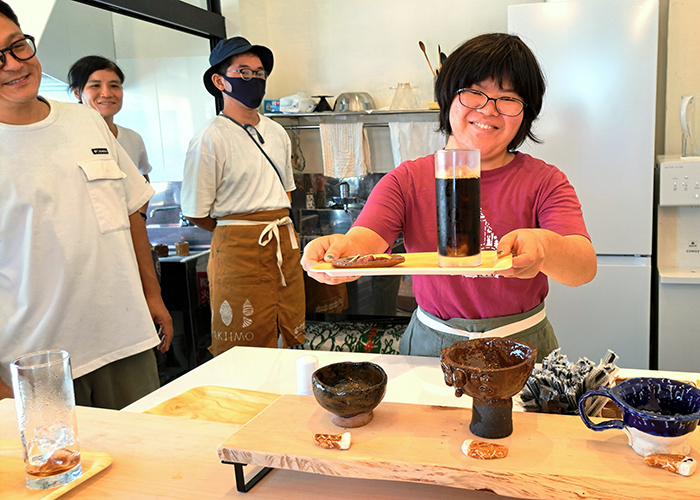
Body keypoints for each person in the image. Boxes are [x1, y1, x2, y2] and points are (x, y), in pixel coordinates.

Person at [302, 33, 597, 361]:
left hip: (523, 344)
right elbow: (362, 242)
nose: (489, 110)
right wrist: (339, 254)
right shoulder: (406, 179)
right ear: (449, 96)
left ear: (526, 112)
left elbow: (583, 267)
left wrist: (544, 246)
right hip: (432, 345)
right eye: (475, 93)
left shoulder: (545, 180)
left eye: (508, 99)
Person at [0, 1, 173, 409]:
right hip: (36, 361)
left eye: (17, 46)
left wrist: (151, 294)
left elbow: (129, 210)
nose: (12, 65)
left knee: (148, 461)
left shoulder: (85, 121)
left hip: (125, 340)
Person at [181, 36, 305, 356]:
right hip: (237, 251)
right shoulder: (209, 138)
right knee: (243, 344)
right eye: (244, 72)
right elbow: (196, 212)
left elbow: (287, 193)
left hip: (281, 242)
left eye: (259, 73)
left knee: (287, 331)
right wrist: (239, 230)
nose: (254, 79)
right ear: (220, 80)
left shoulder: (277, 132)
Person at [68, 55, 152, 215]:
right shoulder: (69, 140)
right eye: (95, 85)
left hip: (129, 232)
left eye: (114, 85)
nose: (106, 93)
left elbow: (143, 182)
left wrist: (141, 217)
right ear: (77, 93)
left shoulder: (133, 138)